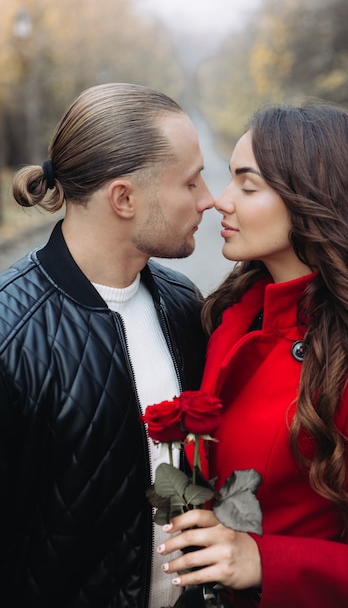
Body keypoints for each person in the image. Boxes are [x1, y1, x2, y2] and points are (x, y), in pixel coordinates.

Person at [157, 102, 348, 607]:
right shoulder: (228, 317)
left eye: (247, 186)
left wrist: (260, 560)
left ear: (312, 201)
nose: (221, 202)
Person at [0, 82, 214, 608]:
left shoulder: (184, 304)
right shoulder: (10, 332)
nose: (209, 198)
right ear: (123, 198)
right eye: (191, 182)